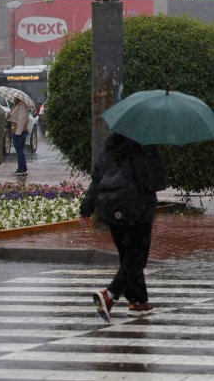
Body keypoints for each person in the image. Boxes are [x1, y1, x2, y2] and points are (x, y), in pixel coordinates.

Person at [80, 133, 168, 321]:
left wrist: (86, 207)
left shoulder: (109, 148)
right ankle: (109, 294)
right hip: (137, 210)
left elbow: (96, 178)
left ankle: (138, 300)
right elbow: (158, 181)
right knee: (137, 258)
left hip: (111, 208)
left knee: (128, 257)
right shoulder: (145, 146)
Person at [7, 97, 30, 176]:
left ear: (18, 98)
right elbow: (13, 116)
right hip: (16, 130)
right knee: (20, 151)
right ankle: (23, 169)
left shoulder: (22, 106)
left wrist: (18, 132)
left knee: (19, 151)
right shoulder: (16, 105)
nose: (13, 99)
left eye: (15, 98)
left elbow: (21, 120)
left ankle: (21, 170)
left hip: (19, 131)